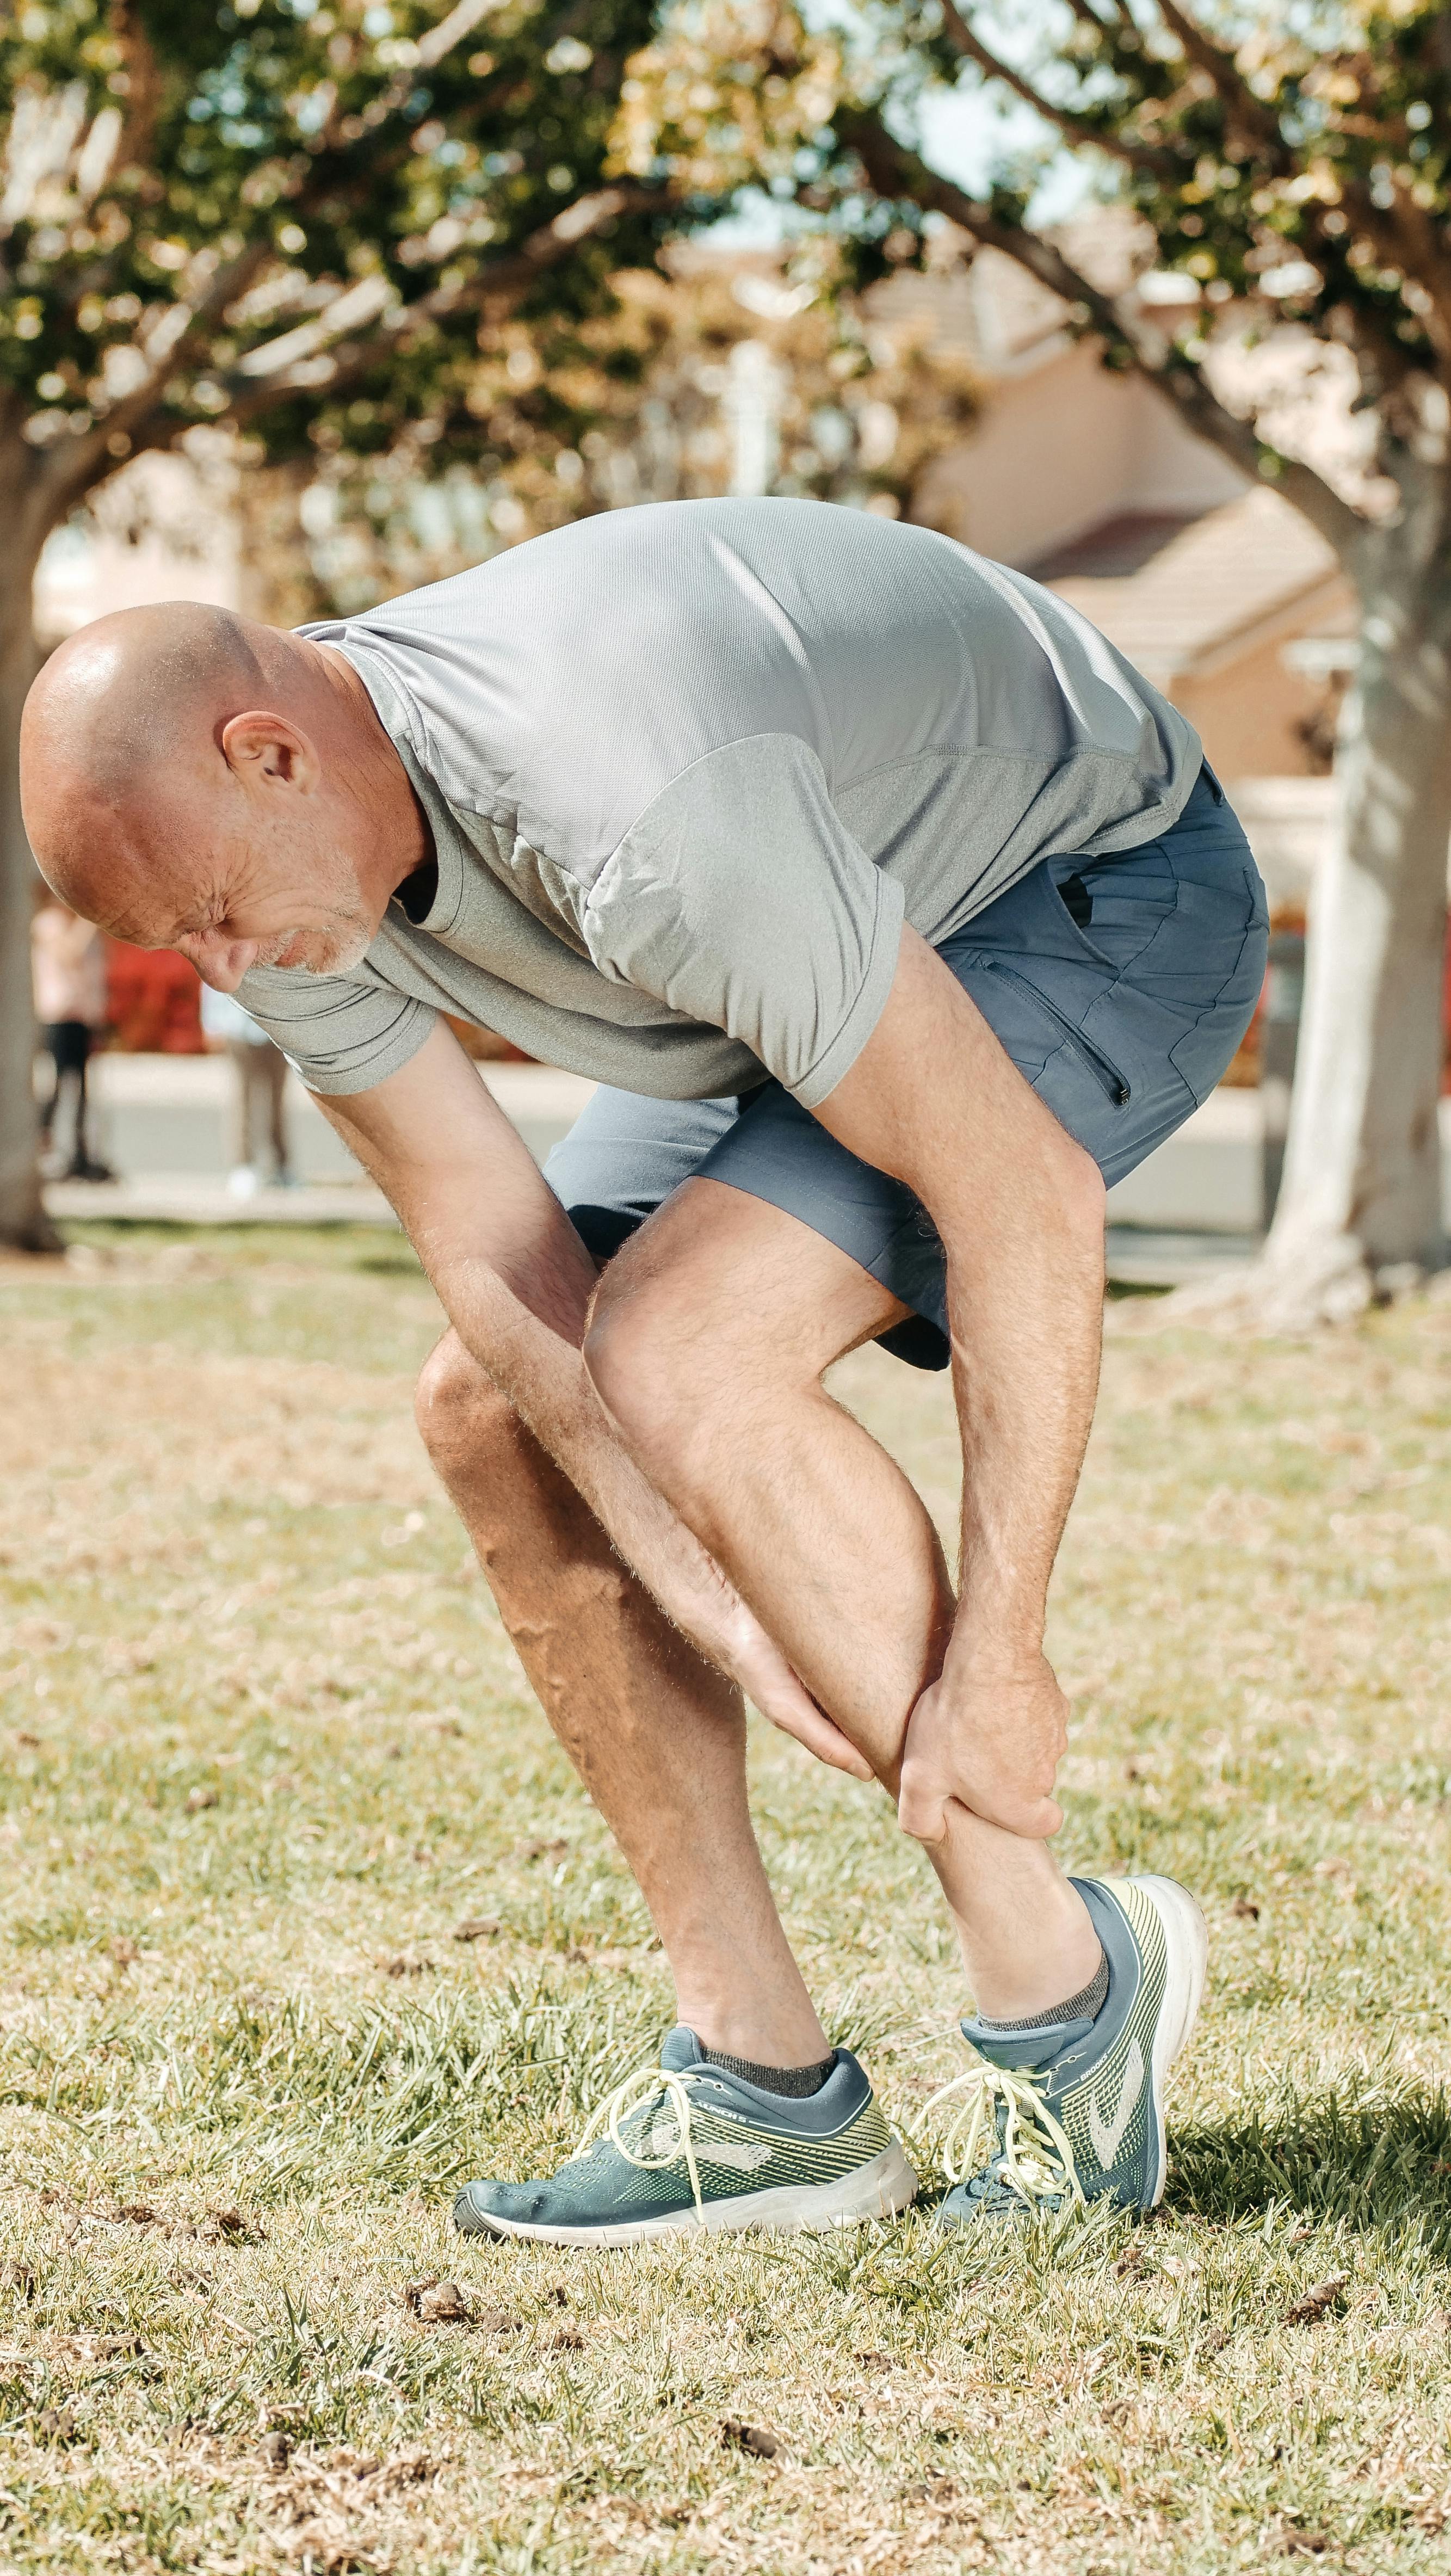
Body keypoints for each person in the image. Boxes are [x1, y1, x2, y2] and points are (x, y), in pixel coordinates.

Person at [18, 501, 1267, 2245]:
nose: (226, 975)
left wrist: (1004, 1656)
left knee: (688, 1346)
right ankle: (764, 2086)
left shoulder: (625, 796)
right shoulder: (281, 861)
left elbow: (1023, 1199)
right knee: (491, 1411)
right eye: (182, 946)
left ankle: (1064, 1998)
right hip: (786, 937)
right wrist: (714, 1600)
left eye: (215, 915)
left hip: (1087, 886)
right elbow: (491, 1247)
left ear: (270, 750)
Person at [30, 891, 115, 1182]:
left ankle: (81, 1151)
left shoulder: (82, 926)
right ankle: (43, 1145)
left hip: (84, 1016)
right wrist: (87, 922)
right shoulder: (49, 923)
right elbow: (70, 954)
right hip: (59, 1016)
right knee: (57, 1085)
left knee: (82, 1088)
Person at [199, 980, 295, 1194]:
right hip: (238, 1029)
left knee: (277, 1102)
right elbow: (212, 980)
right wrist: (211, 1024)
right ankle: (242, 1166)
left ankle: (280, 1166)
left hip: (276, 1029)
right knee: (241, 1101)